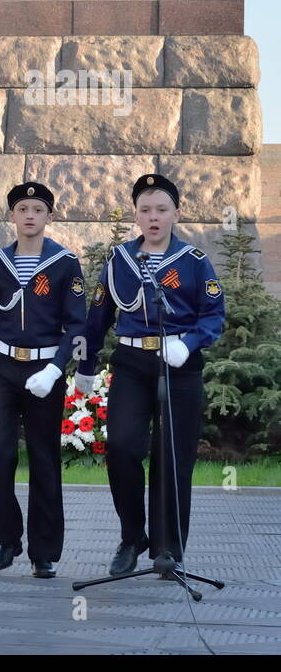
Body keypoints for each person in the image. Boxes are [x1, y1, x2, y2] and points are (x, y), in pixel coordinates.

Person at [79, 174, 225, 578]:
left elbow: (214, 315)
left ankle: (168, 549)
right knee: (123, 448)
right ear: (136, 216)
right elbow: (97, 318)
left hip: (179, 363)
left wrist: (190, 342)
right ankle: (132, 537)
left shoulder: (195, 262)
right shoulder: (119, 260)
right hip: (131, 362)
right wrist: (86, 366)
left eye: (162, 209)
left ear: (177, 213)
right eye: (145, 210)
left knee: (173, 457)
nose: (154, 217)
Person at [0, 182, 86, 579]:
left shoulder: (65, 263)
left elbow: (78, 326)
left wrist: (58, 369)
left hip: (44, 371)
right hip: (4, 367)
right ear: (13, 216)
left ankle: (44, 552)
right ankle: (8, 539)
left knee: (43, 459)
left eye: (38, 209)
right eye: (22, 208)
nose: (30, 215)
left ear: (49, 217)